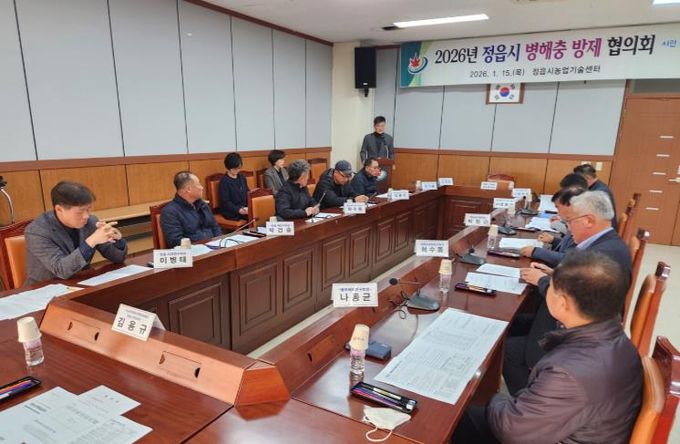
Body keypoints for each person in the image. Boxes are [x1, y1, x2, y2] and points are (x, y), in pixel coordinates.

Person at [454, 251, 642, 444]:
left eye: (550, 286)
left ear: (563, 303)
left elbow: (513, 429)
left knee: (458, 417)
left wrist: (494, 399)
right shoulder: (614, 336)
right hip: (580, 427)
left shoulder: (567, 375)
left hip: (544, 432)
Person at [505, 191, 632, 394]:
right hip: (582, 323)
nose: (568, 227)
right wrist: (554, 273)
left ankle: (532, 396)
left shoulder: (603, 252)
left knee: (509, 347)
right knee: (512, 322)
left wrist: (543, 280)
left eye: (570, 221)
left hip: (576, 332)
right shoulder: (606, 242)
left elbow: (575, 298)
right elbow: (582, 284)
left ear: (589, 220)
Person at [24, 181, 127, 285]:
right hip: (46, 287)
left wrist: (117, 240)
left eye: (88, 209)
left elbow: (118, 258)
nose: (86, 216)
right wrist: (91, 241)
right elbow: (61, 270)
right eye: (80, 212)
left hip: (82, 281)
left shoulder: (91, 221)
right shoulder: (37, 231)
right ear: (59, 209)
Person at [519, 187, 584, 268]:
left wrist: (536, 251)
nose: (558, 212)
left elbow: (569, 260)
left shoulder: (580, 225)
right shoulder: (573, 221)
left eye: (558, 207)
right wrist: (554, 240)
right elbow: (569, 246)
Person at [161, 171, 221, 248]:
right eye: (199, 184)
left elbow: (215, 227)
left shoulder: (202, 205)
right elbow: (176, 241)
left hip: (214, 247)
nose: (202, 187)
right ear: (189, 189)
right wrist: (202, 248)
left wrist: (219, 243)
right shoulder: (170, 212)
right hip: (194, 251)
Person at [574, 163, 618, 231]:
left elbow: (588, 215)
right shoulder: (596, 186)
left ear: (587, 178)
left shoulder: (600, 192)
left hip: (603, 231)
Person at [218, 152, 248, 221]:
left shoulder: (242, 177)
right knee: (252, 217)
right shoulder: (224, 181)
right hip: (232, 211)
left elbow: (247, 192)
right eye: (235, 168)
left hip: (244, 208)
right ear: (229, 167)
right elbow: (225, 202)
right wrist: (238, 210)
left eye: (239, 168)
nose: (237, 170)